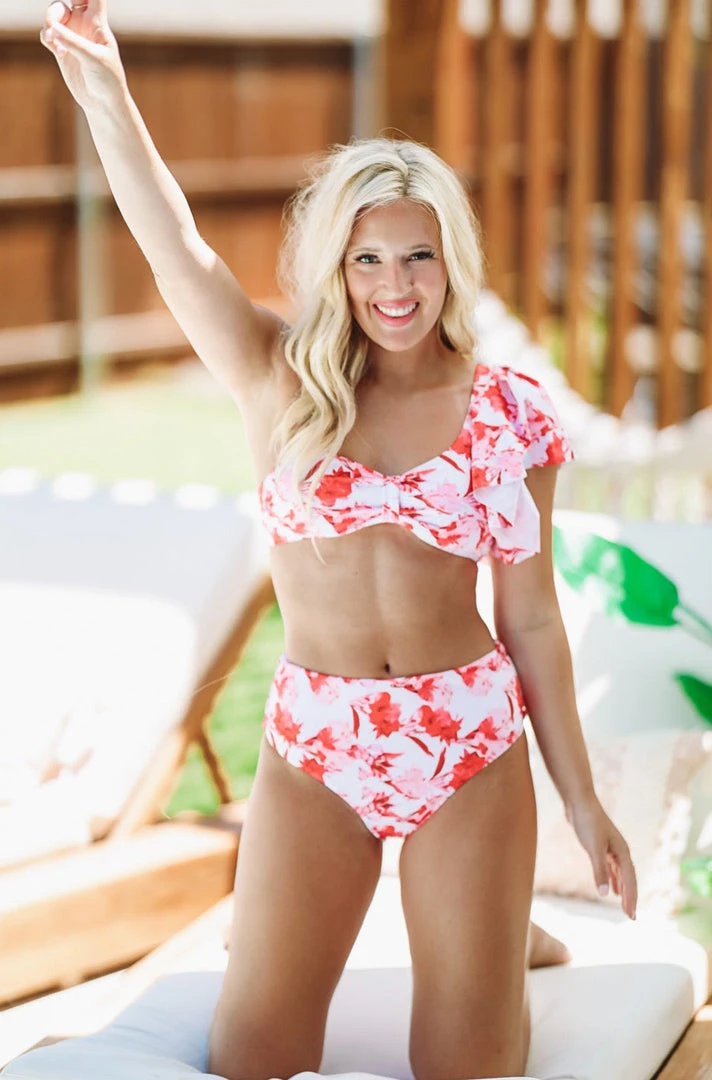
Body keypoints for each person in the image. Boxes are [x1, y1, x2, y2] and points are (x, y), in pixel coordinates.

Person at [41, 4, 638, 1079]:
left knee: (465, 1067)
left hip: (467, 746)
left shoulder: (509, 413)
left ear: (451, 261)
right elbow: (176, 247)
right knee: (252, 1057)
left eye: (417, 256)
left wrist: (583, 802)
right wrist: (106, 90)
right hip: (317, 748)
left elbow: (534, 620)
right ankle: (497, 932)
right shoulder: (276, 379)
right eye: (367, 259)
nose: (394, 287)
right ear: (338, 266)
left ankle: (500, 939)